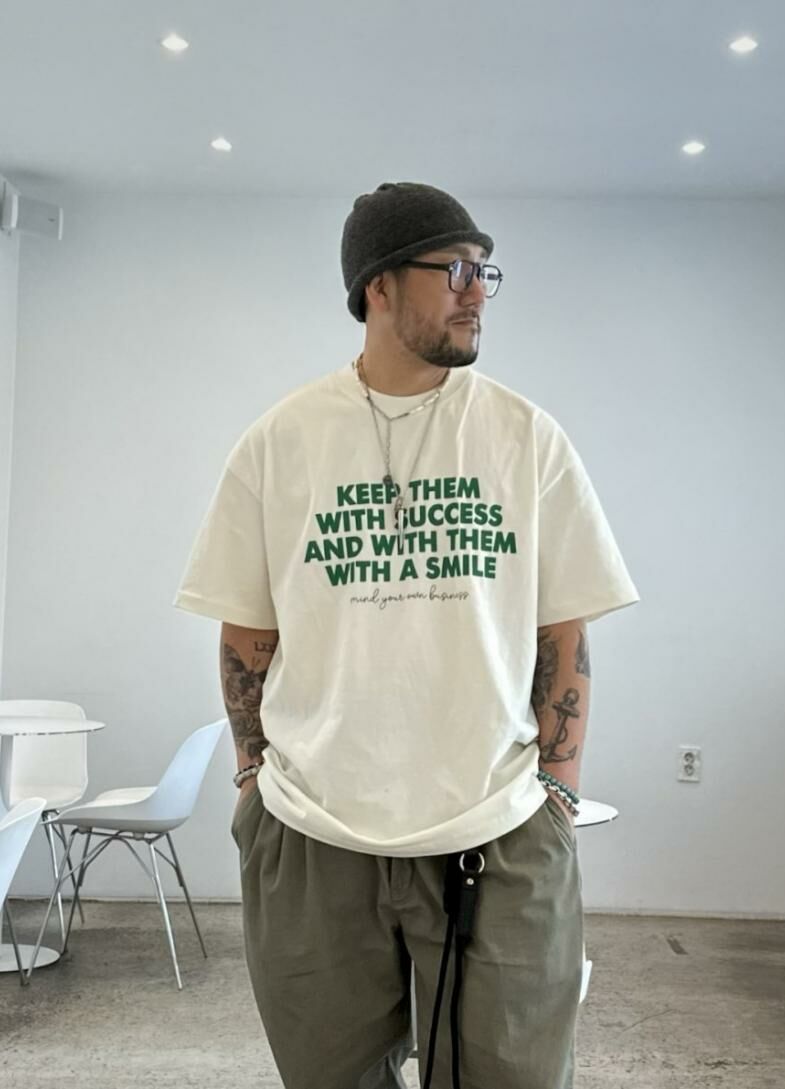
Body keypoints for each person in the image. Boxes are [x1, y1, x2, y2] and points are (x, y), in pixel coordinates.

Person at [173, 181, 640, 1089]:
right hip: (312, 833)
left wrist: (557, 789)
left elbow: (563, 628)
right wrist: (252, 783)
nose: (477, 292)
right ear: (377, 285)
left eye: (484, 273)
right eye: (454, 269)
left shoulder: (524, 437)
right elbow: (246, 635)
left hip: (500, 828)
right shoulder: (281, 442)